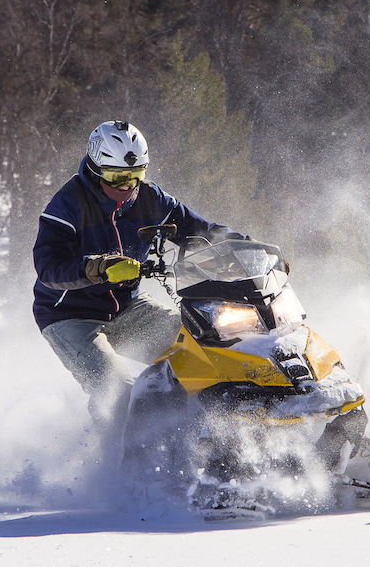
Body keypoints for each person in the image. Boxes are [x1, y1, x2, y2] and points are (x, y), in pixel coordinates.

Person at [32, 121, 240, 420]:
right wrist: (97, 267)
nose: (127, 186)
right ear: (95, 169)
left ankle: (215, 431)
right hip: (71, 316)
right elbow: (49, 268)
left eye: (136, 175)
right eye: (117, 178)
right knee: (119, 393)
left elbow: (201, 230)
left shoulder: (150, 199)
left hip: (127, 307)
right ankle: (111, 458)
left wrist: (248, 249)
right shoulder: (66, 206)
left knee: (202, 351)